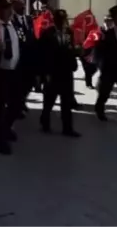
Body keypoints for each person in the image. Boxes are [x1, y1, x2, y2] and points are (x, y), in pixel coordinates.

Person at [39, 9, 80, 137]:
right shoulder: (48, 34)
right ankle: (45, 121)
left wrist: (75, 54)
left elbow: (70, 49)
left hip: (66, 72)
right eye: (59, 20)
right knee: (49, 101)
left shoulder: (69, 33)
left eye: (64, 19)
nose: (62, 22)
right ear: (55, 20)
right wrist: (44, 74)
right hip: (53, 72)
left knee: (66, 101)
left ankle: (67, 128)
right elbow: (44, 55)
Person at [0, 0, 24, 155]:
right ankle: (0, 139)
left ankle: (6, 127)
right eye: (6, 9)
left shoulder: (14, 25)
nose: (10, 12)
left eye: (10, 9)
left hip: (15, 70)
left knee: (17, 104)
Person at [10, 0, 36, 116]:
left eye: (23, 5)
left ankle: (22, 100)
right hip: (17, 56)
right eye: (20, 5)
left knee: (29, 82)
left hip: (29, 55)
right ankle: (17, 106)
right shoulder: (11, 20)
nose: (23, 7)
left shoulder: (29, 19)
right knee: (18, 83)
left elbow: (32, 34)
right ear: (14, 7)